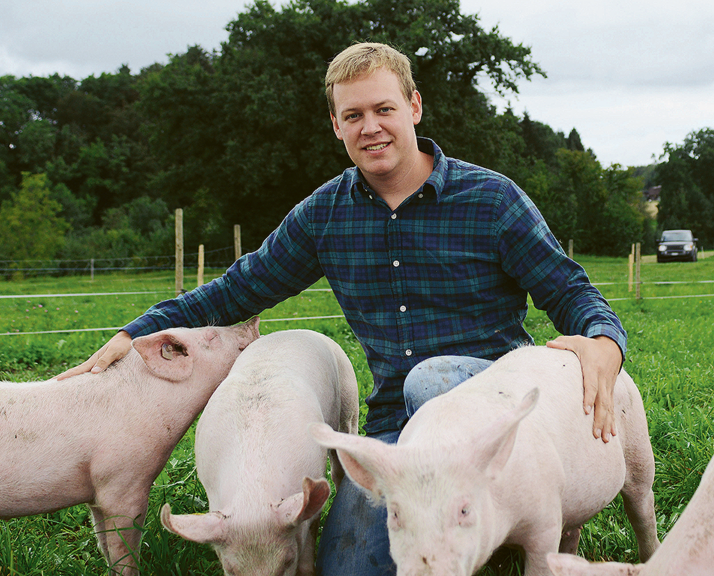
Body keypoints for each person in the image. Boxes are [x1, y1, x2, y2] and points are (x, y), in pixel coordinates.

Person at [58, 42, 625, 575]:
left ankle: (485, 520)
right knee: (349, 566)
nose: (370, 127)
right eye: (353, 115)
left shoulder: (492, 200)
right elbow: (239, 289)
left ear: (414, 107)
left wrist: (602, 339)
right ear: (336, 125)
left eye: (383, 108)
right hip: (394, 428)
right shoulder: (326, 215)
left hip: (483, 416)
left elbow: (570, 291)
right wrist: (138, 330)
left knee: (431, 379)